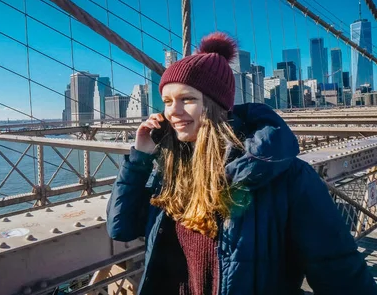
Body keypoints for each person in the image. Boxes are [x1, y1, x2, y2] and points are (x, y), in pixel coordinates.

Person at [106, 32, 377, 295]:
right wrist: (140, 157)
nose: (173, 112)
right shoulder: (172, 168)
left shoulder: (287, 176)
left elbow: (338, 271)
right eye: (167, 101)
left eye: (187, 99)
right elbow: (121, 227)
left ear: (216, 104)